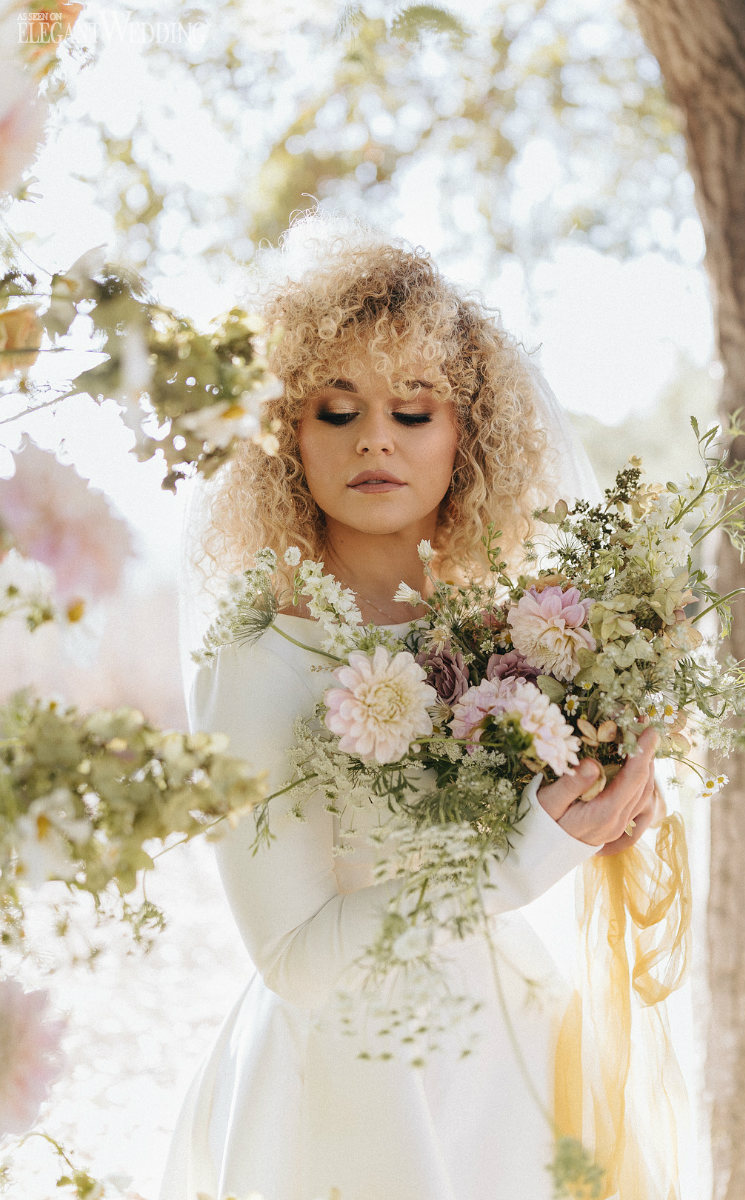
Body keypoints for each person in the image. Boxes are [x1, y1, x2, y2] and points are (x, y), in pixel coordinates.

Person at [162, 217, 672, 1200]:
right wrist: (524, 856)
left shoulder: (521, 630)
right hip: (348, 1091)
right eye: (335, 410)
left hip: (510, 1060)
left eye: (412, 410)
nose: (374, 442)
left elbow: (549, 818)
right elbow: (296, 963)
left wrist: (607, 806)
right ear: (282, 433)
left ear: (466, 431)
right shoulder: (261, 660)